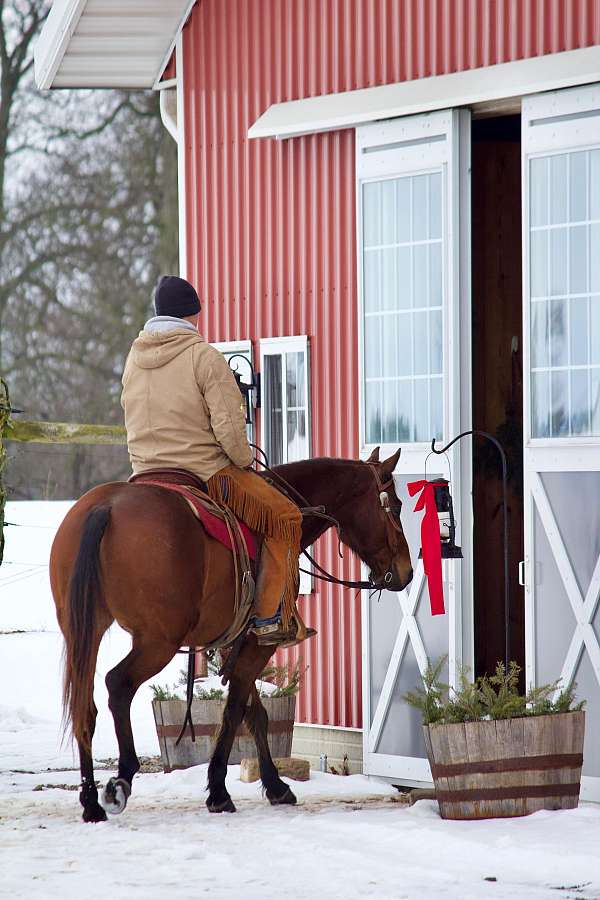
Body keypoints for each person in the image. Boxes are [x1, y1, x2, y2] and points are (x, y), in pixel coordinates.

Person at [121, 275, 313, 647]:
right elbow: (228, 425)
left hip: (145, 473)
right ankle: (270, 617)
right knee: (286, 517)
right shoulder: (202, 355)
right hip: (203, 471)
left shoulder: (134, 358)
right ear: (191, 315)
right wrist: (242, 460)